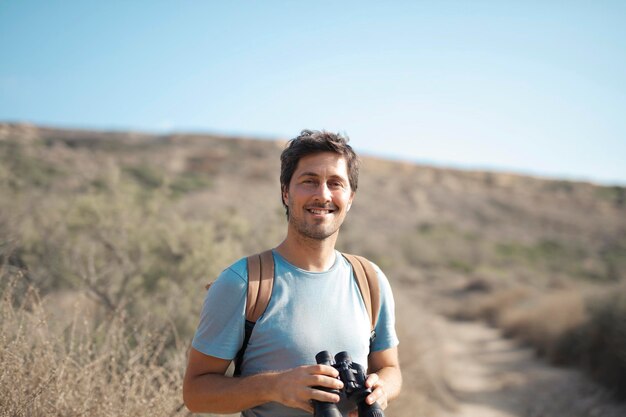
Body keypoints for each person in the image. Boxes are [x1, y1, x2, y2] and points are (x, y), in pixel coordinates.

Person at [183, 130, 401, 417]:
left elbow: (390, 367)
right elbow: (196, 394)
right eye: (309, 181)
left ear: (350, 198)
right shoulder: (242, 283)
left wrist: (380, 388)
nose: (323, 195)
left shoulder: (369, 279)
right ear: (285, 192)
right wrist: (274, 386)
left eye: (335, 183)